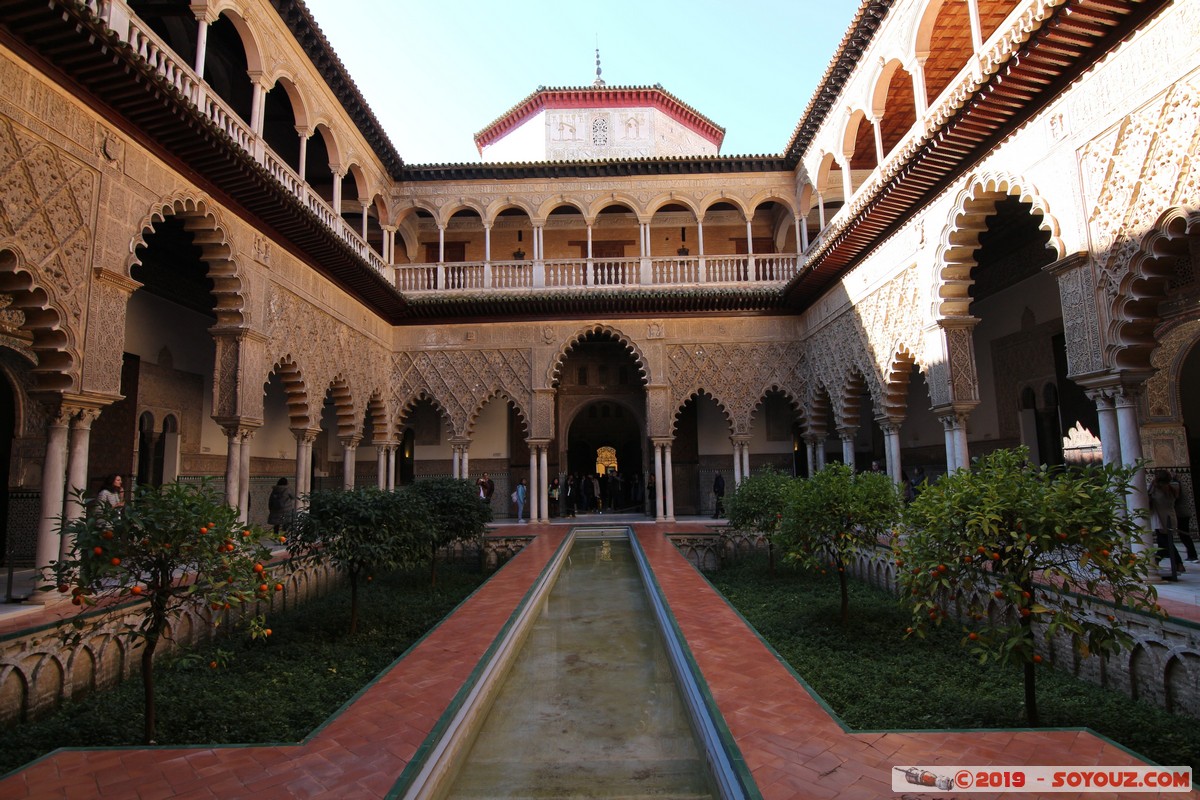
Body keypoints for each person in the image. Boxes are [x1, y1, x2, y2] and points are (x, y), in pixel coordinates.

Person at [1149, 469, 1184, 580]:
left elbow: (1149, 498)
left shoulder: (1157, 489)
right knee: (1164, 541)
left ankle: (1177, 563)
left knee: (1165, 542)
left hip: (1161, 519)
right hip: (1169, 517)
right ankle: (1173, 563)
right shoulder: (1173, 488)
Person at [1172, 473, 1199, 563]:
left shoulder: (1176, 486)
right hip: (1183, 513)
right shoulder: (1181, 485)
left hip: (1181, 514)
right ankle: (1191, 554)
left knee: (1184, 535)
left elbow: (1176, 498)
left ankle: (1192, 555)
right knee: (1184, 534)